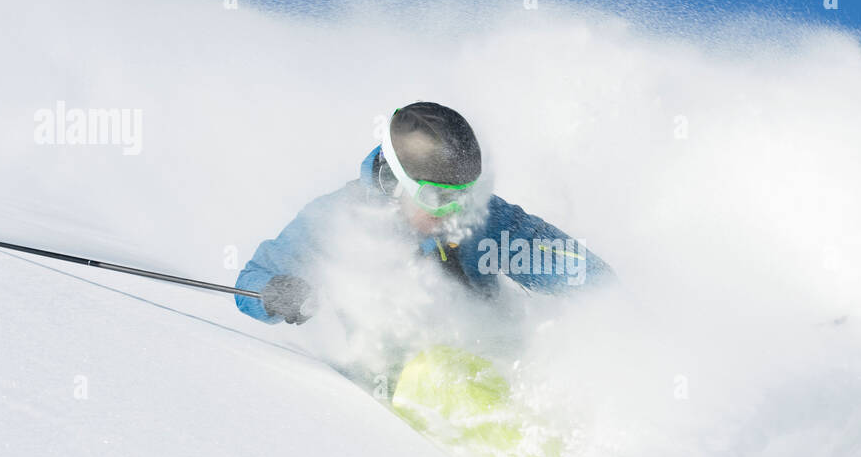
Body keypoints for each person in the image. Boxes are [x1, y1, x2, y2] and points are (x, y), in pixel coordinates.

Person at [234, 101, 612, 326]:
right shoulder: (338, 221)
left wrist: (607, 301)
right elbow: (250, 281)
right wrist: (275, 292)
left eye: (467, 195)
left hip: (489, 353)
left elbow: (569, 265)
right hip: (393, 374)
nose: (454, 211)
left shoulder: (482, 220)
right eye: (436, 196)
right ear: (393, 182)